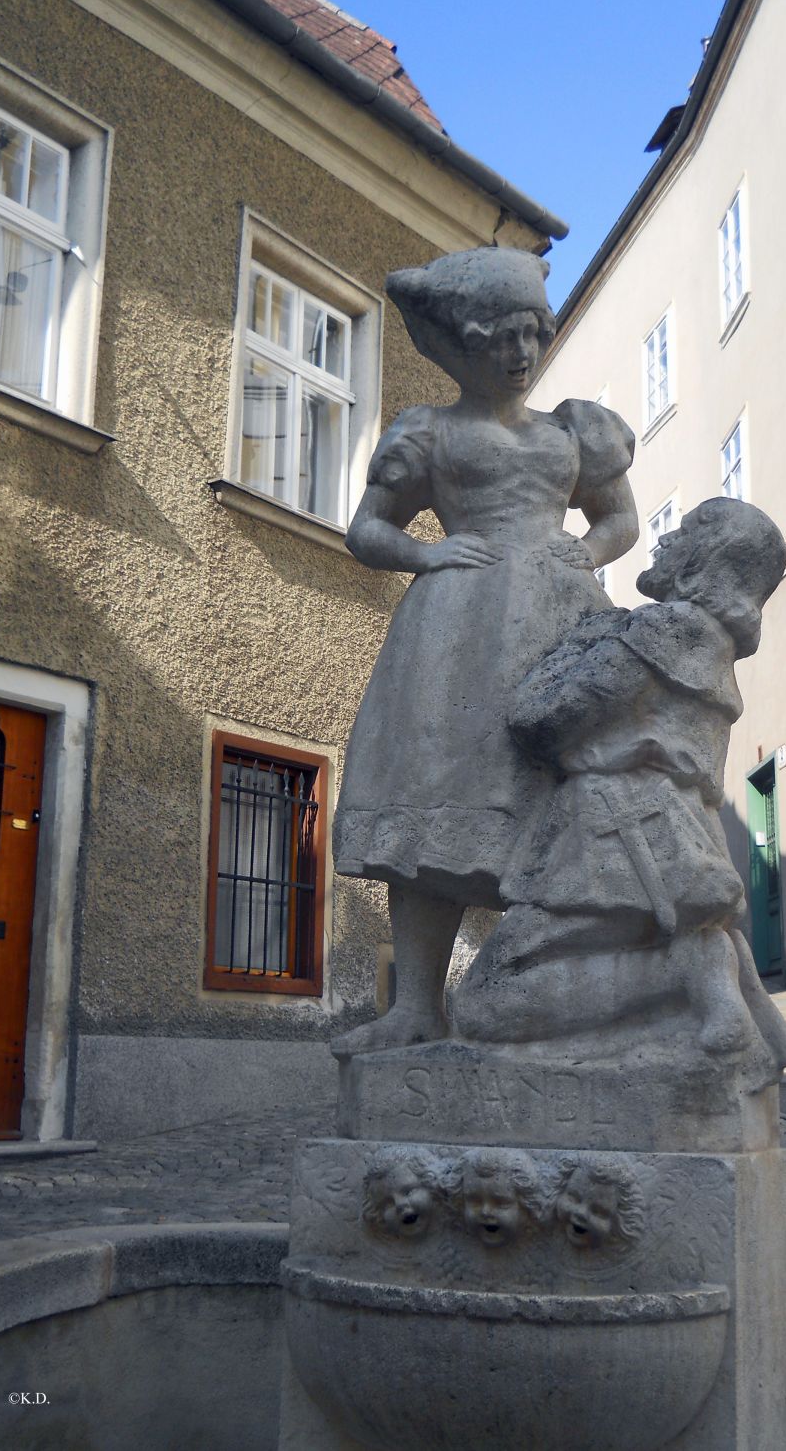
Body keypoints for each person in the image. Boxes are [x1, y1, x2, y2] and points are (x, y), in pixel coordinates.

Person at [332, 248, 638, 1054]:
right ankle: (417, 1007)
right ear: (463, 343)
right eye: (500, 338)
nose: (520, 355)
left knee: (554, 797)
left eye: (532, 336)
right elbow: (367, 528)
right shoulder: (427, 430)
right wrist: (426, 553)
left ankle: (562, 1002)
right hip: (453, 629)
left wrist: (587, 554)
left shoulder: (573, 432)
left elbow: (618, 520)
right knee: (432, 797)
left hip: (554, 618)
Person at [452, 497, 786, 1072]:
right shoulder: (715, 652)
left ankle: (685, 970)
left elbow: (543, 716)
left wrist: (582, 642)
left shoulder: (661, 631)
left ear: (704, 561)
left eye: (680, 534)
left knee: (484, 1004)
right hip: (679, 844)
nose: (662, 542)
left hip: (611, 839)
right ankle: (718, 970)